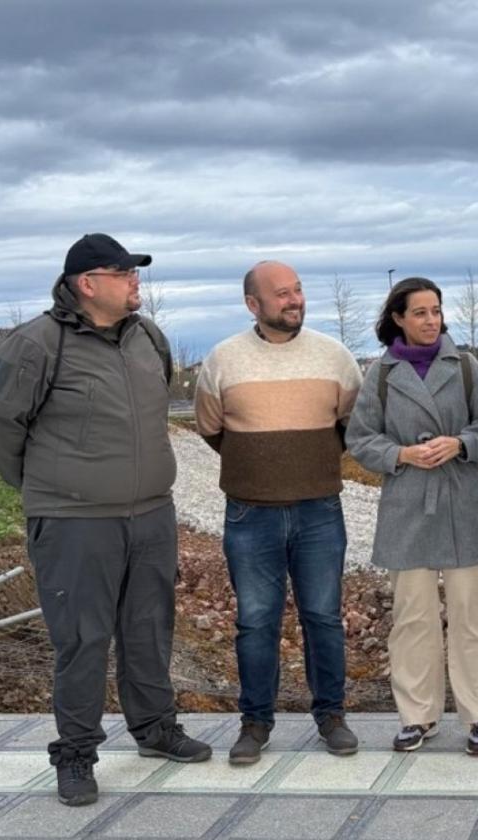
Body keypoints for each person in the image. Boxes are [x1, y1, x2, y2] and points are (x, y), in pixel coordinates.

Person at [0, 233, 212, 807]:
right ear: (88, 284)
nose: (136, 282)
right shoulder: (36, 344)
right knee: (83, 640)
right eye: (125, 273)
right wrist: (53, 488)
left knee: (148, 628)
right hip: (75, 522)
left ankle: (155, 728)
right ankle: (77, 754)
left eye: (136, 273)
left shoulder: (147, 338)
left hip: (152, 515)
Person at [194, 260, 362, 764]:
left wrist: (303, 464)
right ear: (254, 305)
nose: (294, 300)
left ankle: (331, 716)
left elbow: (351, 427)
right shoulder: (223, 360)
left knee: (324, 618)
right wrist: (261, 465)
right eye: (282, 294)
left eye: (298, 290)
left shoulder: (336, 358)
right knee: (255, 621)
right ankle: (255, 724)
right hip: (250, 515)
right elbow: (211, 428)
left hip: (319, 511)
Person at [345, 277, 478, 756]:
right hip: (407, 506)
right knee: (412, 618)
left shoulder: (465, 366)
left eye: (436, 311)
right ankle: (417, 716)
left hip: (462, 502)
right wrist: (401, 455)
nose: (430, 320)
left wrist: (460, 444)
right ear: (398, 317)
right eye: (419, 312)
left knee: (472, 616)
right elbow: (360, 439)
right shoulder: (380, 374)